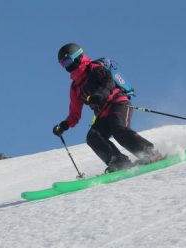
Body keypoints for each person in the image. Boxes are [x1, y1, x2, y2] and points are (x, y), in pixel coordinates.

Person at [53, 43, 162, 173]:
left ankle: (150, 153)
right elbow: (75, 113)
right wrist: (64, 125)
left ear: (77, 57)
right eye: (63, 64)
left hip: (118, 104)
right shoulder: (75, 87)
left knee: (118, 129)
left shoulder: (94, 68)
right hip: (102, 114)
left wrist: (99, 95)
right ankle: (118, 161)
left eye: (67, 61)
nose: (67, 66)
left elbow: (108, 82)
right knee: (93, 137)